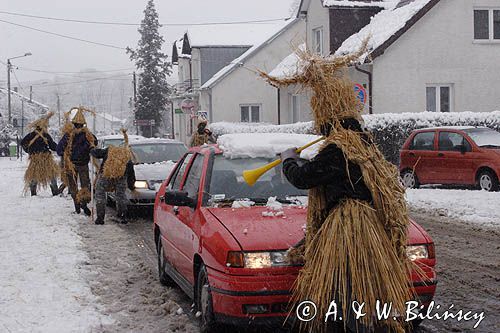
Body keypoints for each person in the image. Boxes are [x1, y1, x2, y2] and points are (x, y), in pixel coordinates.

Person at [263, 44, 413, 333]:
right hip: (372, 226)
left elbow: (305, 178)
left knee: (340, 289)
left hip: (347, 226)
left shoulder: (337, 148)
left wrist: (288, 160)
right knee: (369, 287)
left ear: (326, 119)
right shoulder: (364, 143)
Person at [57, 107, 97, 216]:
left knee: (73, 186)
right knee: (85, 186)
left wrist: (65, 154)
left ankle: (78, 206)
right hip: (82, 164)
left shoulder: (68, 135)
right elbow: (94, 143)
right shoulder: (87, 135)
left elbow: (59, 149)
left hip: (71, 165)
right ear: (83, 125)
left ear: (73, 124)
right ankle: (83, 204)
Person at [90, 129, 136, 225]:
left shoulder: (109, 150)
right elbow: (131, 173)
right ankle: (122, 216)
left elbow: (97, 154)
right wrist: (131, 186)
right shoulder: (126, 156)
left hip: (105, 176)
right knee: (121, 196)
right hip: (121, 178)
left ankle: (100, 217)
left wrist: (92, 149)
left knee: (100, 194)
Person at [20, 112, 60, 196]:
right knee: (51, 175)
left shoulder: (30, 135)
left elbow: (22, 143)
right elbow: (53, 146)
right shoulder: (45, 135)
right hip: (46, 158)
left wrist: (28, 151)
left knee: (34, 175)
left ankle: (33, 193)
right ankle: (55, 192)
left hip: (36, 158)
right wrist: (60, 149)